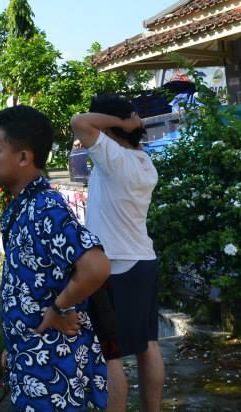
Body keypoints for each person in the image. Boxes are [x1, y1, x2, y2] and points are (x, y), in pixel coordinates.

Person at [0, 105, 110, 411]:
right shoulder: (24, 206)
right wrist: (16, 344)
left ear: (23, 157)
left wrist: (59, 307)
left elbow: (95, 267)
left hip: (56, 367)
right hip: (33, 358)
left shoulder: (45, 207)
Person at [71, 95, 164, 412]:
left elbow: (79, 122)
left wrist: (123, 122)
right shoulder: (142, 160)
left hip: (115, 268)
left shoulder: (114, 157)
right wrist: (128, 123)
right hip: (143, 262)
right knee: (148, 345)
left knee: (109, 355)